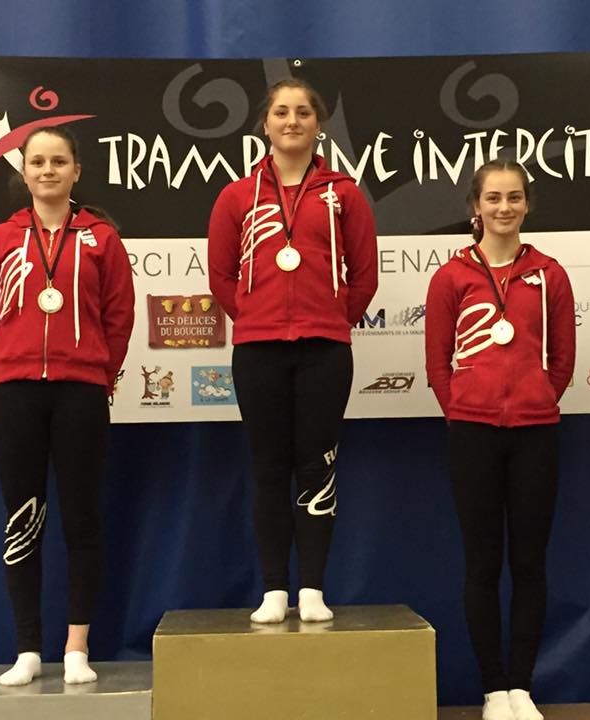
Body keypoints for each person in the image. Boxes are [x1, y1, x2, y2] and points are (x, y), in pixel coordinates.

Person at [207, 78, 378, 624]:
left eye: (303, 112)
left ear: (318, 124)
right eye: (282, 112)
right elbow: (220, 275)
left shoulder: (344, 194)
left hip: (325, 349)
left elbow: (365, 274)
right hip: (258, 350)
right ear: (266, 124)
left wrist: (330, 317)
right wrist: (254, 316)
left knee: (317, 465)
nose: (292, 121)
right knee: (267, 466)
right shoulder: (237, 196)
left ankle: (313, 588)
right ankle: (274, 589)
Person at [0, 126, 135, 685]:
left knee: (82, 518)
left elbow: (119, 316)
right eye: (37, 161)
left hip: (81, 392)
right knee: (23, 519)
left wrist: (98, 375)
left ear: (76, 171)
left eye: (58, 161)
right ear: (23, 173)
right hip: (15, 394)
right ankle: (27, 649)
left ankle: (76, 647)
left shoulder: (101, 239)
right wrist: (1, 371)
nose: (47, 170)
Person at [425, 159, 576, 720]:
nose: (504, 208)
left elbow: (563, 360)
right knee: (483, 563)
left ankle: (521, 687)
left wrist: (536, 398)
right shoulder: (451, 277)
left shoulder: (550, 274)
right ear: (476, 206)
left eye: (514, 197)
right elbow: (437, 363)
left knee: (530, 563)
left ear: (527, 204)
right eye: (493, 198)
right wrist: (465, 408)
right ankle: (492, 688)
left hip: (536, 433)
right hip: (473, 434)